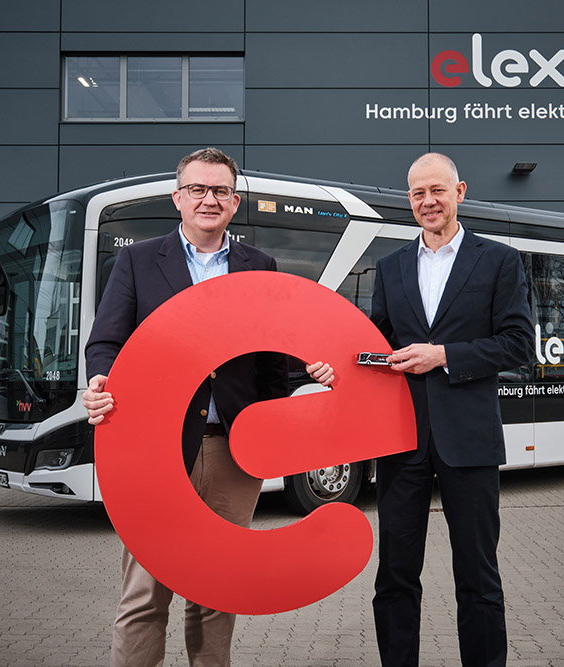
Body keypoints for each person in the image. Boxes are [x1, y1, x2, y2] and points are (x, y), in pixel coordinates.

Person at [307, 152, 533, 667]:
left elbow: (518, 344)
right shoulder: (390, 268)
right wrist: (336, 365)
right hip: (401, 439)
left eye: (437, 190)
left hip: (469, 441)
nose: (428, 201)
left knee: (477, 576)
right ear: (409, 200)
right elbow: (377, 346)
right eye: (417, 193)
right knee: (395, 576)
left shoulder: (499, 261)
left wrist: (444, 355)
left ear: (460, 192)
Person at [82, 147, 288, 667]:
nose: (208, 199)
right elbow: (105, 342)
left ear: (234, 202)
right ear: (178, 198)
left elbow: (271, 365)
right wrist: (100, 378)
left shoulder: (259, 266)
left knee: (217, 591)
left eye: (220, 190)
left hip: (231, 456)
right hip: (157, 452)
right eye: (197, 189)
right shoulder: (137, 261)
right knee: (145, 593)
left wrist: (272, 427)